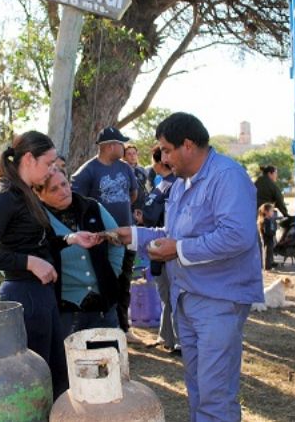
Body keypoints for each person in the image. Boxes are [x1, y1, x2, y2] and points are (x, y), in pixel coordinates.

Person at [105, 112, 263, 421]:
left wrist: (179, 249)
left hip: (219, 299)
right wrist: (133, 235)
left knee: (215, 392)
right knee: (199, 387)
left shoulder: (227, 176)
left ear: (187, 145)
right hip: (187, 297)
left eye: (165, 149)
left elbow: (237, 236)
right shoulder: (179, 184)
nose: (161, 158)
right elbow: (172, 234)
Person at [0, 131, 98, 400]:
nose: (52, 170)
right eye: (48, 163)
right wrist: (28, 263)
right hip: (23, 297)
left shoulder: (27, 194)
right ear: (29, 158)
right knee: (35, 382)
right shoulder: (6, 197)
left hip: (42, 297)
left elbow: (39, 242)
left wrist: (70, 239)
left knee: (54, 375)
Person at [70, 126, 140, 343]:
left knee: (125, 280)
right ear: (111, 146)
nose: (124, 147)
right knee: (104, 281)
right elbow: (76, 202)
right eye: (121, 144)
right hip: (100, 239)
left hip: (126, 235)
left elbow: (133, 193)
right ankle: (104, 326)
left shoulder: (126, 168)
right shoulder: (87, 171)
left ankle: (124, 328)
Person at [36, 170, 125, 338]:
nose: (63, 191)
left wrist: (112, 272)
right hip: (64, 309)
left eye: (64, 184)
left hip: (103, 304)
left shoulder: (92, 207)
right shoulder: (37, 219)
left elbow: (117, 239)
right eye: (54, 189)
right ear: (39, 194)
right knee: (69, 362)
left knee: (109, 358)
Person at [141, 145, 179, 354]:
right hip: (165, 246)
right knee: (167, 294)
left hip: (164, 247)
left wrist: (141, 218)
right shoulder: (170, 184)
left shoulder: (168, 186)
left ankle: (175, 339)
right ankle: (167, 337)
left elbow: (150, 216)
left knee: (168, 293)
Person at [124, 143, 150, 219]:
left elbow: (147, 187)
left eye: (134, 153)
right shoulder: (122, 171)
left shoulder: (142, 170)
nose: (132, 156)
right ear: (124, 157)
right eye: (129, 154)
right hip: (129, 206)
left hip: (142, 206)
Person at [258, 202, 278, 271]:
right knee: (268, 252)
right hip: (267, 239)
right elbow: (267, 231)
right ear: (266, 212)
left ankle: (270, 263)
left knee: (270, 251)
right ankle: (267, 267)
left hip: (270, 238)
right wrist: (273, 232)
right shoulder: (265, 221)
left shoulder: (269, 220)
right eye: (271, 211)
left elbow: (273, 227)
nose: (273, 212)